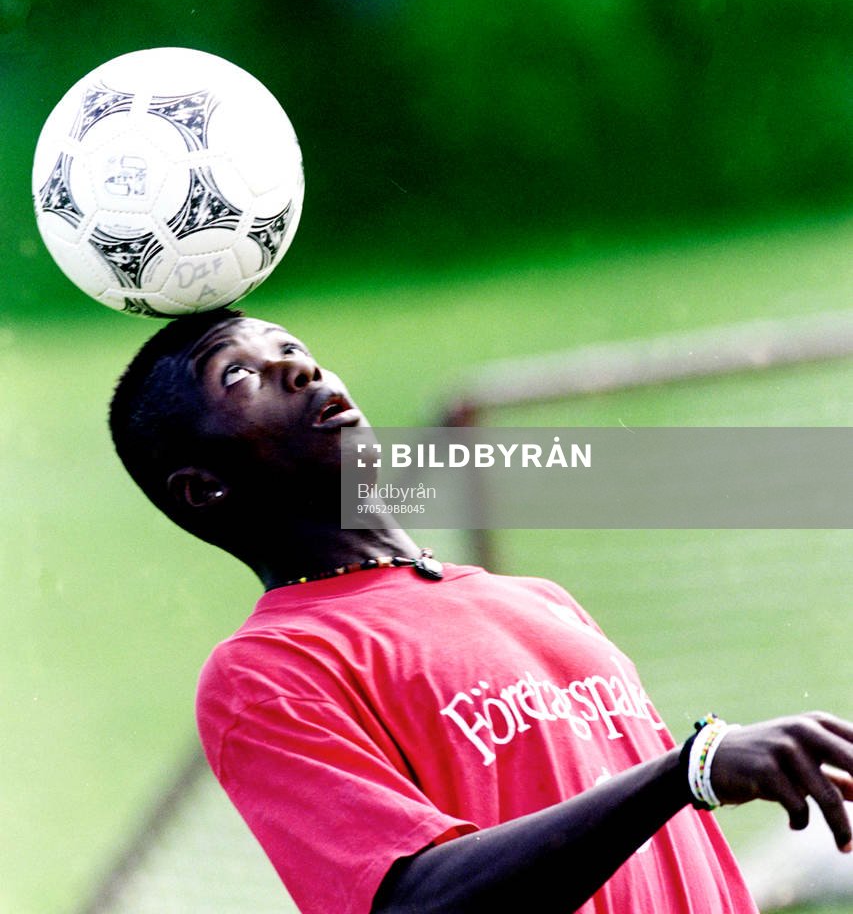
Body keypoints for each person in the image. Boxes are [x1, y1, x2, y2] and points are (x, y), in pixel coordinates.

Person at [109, 306, 853, 914]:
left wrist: (680, 777)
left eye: (292, 347)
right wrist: (682, 772)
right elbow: (411, 904)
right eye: (241, 376)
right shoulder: (268, 671)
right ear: (203, 488)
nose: (300, 369)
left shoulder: (536, 600)